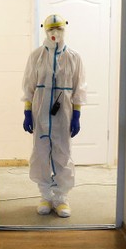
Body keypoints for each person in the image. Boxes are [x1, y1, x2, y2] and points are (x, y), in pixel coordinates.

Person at [21, 14, 88, 217]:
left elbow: (79, 87)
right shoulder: (36, 56)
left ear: (64, 30)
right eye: (51, 30)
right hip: (40, 112)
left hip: (64, 114)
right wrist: (27, 110)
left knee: (62, 154)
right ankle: (45, 196)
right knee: (41, 153)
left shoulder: (74, 57)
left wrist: (76, 114)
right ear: (44, 30)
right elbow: (29, 85)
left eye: (58, 29)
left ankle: (61, 198)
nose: (54, 34)